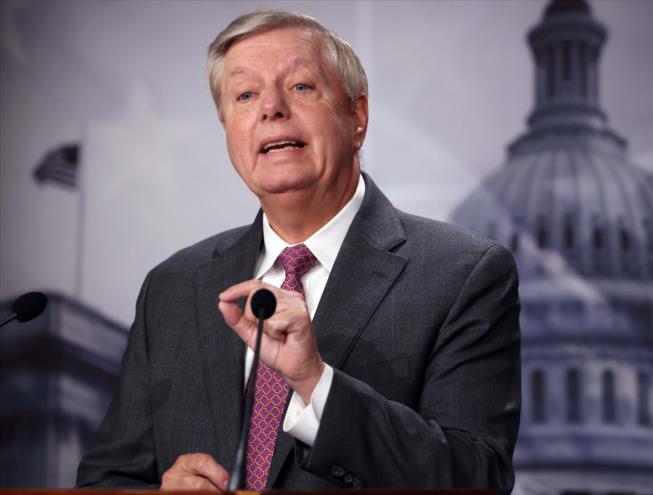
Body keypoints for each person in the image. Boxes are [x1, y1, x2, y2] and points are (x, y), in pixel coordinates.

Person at [76, 9, 521, 492]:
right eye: (246, 95)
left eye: (301, 86)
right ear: (227, 129)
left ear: (357, 116)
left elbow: (477, 477)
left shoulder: (462, 274)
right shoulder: (173, 287)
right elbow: (105, 482)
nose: (271, 107)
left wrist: (315, 383)